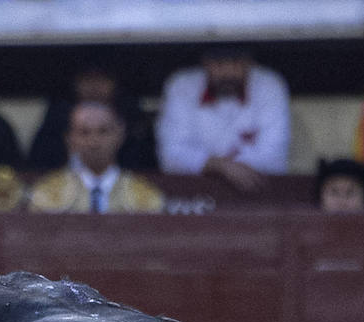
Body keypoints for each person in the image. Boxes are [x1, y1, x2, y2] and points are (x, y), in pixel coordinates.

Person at [156, 45, 289, 192]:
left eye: (236, 62)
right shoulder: (182, 85)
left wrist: (205, 163)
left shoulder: (269, 85)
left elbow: (274, 158)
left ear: (249, 63)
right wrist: (221, 166)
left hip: (256, 192)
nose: (228, 72)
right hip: (192, 192)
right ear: (205, 63)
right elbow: (170, 156)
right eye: (219, 64)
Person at [28, 101, 164, 214]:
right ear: (70, 139)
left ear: (120, 135)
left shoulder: (145, 196)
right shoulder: (46, 194)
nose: (94, 142)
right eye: (84, 132)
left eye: (103, 131)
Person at [26, 63, 157, 172]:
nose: (94, 86)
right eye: (87, 78)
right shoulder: (53, 130)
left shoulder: (136, 133)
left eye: (103, 79)